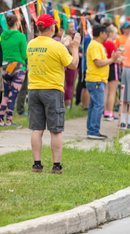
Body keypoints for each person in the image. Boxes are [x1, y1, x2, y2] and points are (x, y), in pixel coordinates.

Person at [27, 14, 80, 174]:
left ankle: (37, 164)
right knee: (55, 129)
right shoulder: (56, 46)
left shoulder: (31, 44)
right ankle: (56, 165)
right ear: (52, 28)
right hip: (52, 90)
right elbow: (73, 64)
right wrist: (75, 47)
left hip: (34, 89)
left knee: (37, 129)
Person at [86, 24, 122, 140]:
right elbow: (98, 62)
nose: (107, 35)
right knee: (98, 106)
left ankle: (92, 129)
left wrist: (112, 59)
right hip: (96, 79)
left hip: (97, 79)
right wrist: (112, 60)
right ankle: (93, 130)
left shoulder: (98, 45)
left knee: (94, 106)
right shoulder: (95, 45)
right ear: (101, 33)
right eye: (105, 33)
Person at [0, 15, 27, 127]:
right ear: (17, 23)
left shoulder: (2, 35)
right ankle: (10, 120)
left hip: (5, 67)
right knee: (13, 94)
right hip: (18, 67)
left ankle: (1, 119)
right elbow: (24, 54)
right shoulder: (21, 36)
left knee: (6, 94)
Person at [103, 24, 120, 121]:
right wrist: (121, 58)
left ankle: (105, 111)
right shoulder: (111, 43)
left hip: (106, 67)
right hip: (113, 67)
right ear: (110, 33)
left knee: (106, 91)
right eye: (115, 33)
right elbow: (115, 58)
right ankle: (109, 112)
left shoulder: (104, 43)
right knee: (112, 92)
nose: (116, 35)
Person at [63, 20, 78, 109]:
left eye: (73, 26)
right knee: (67, 83)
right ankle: (67, 103)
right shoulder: (66, 38)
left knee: (71, 83)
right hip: (67, 62)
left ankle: (69, 103)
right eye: (71, 27)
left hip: (72, 61)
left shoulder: (73, 37)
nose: (73, 28)